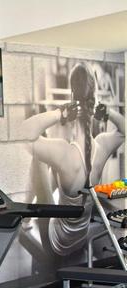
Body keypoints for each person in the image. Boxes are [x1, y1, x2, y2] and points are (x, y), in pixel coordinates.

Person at [23, 62, 125, 257]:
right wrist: (109, 113)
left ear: (72, 97)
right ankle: (28, 219)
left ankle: (25, 221)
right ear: (94, 100)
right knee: (53, 165)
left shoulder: (63, 151)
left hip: (58, 243)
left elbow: (24, 134)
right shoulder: (102, 146)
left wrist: (59, 114)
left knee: (39, 160)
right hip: (81, 235)